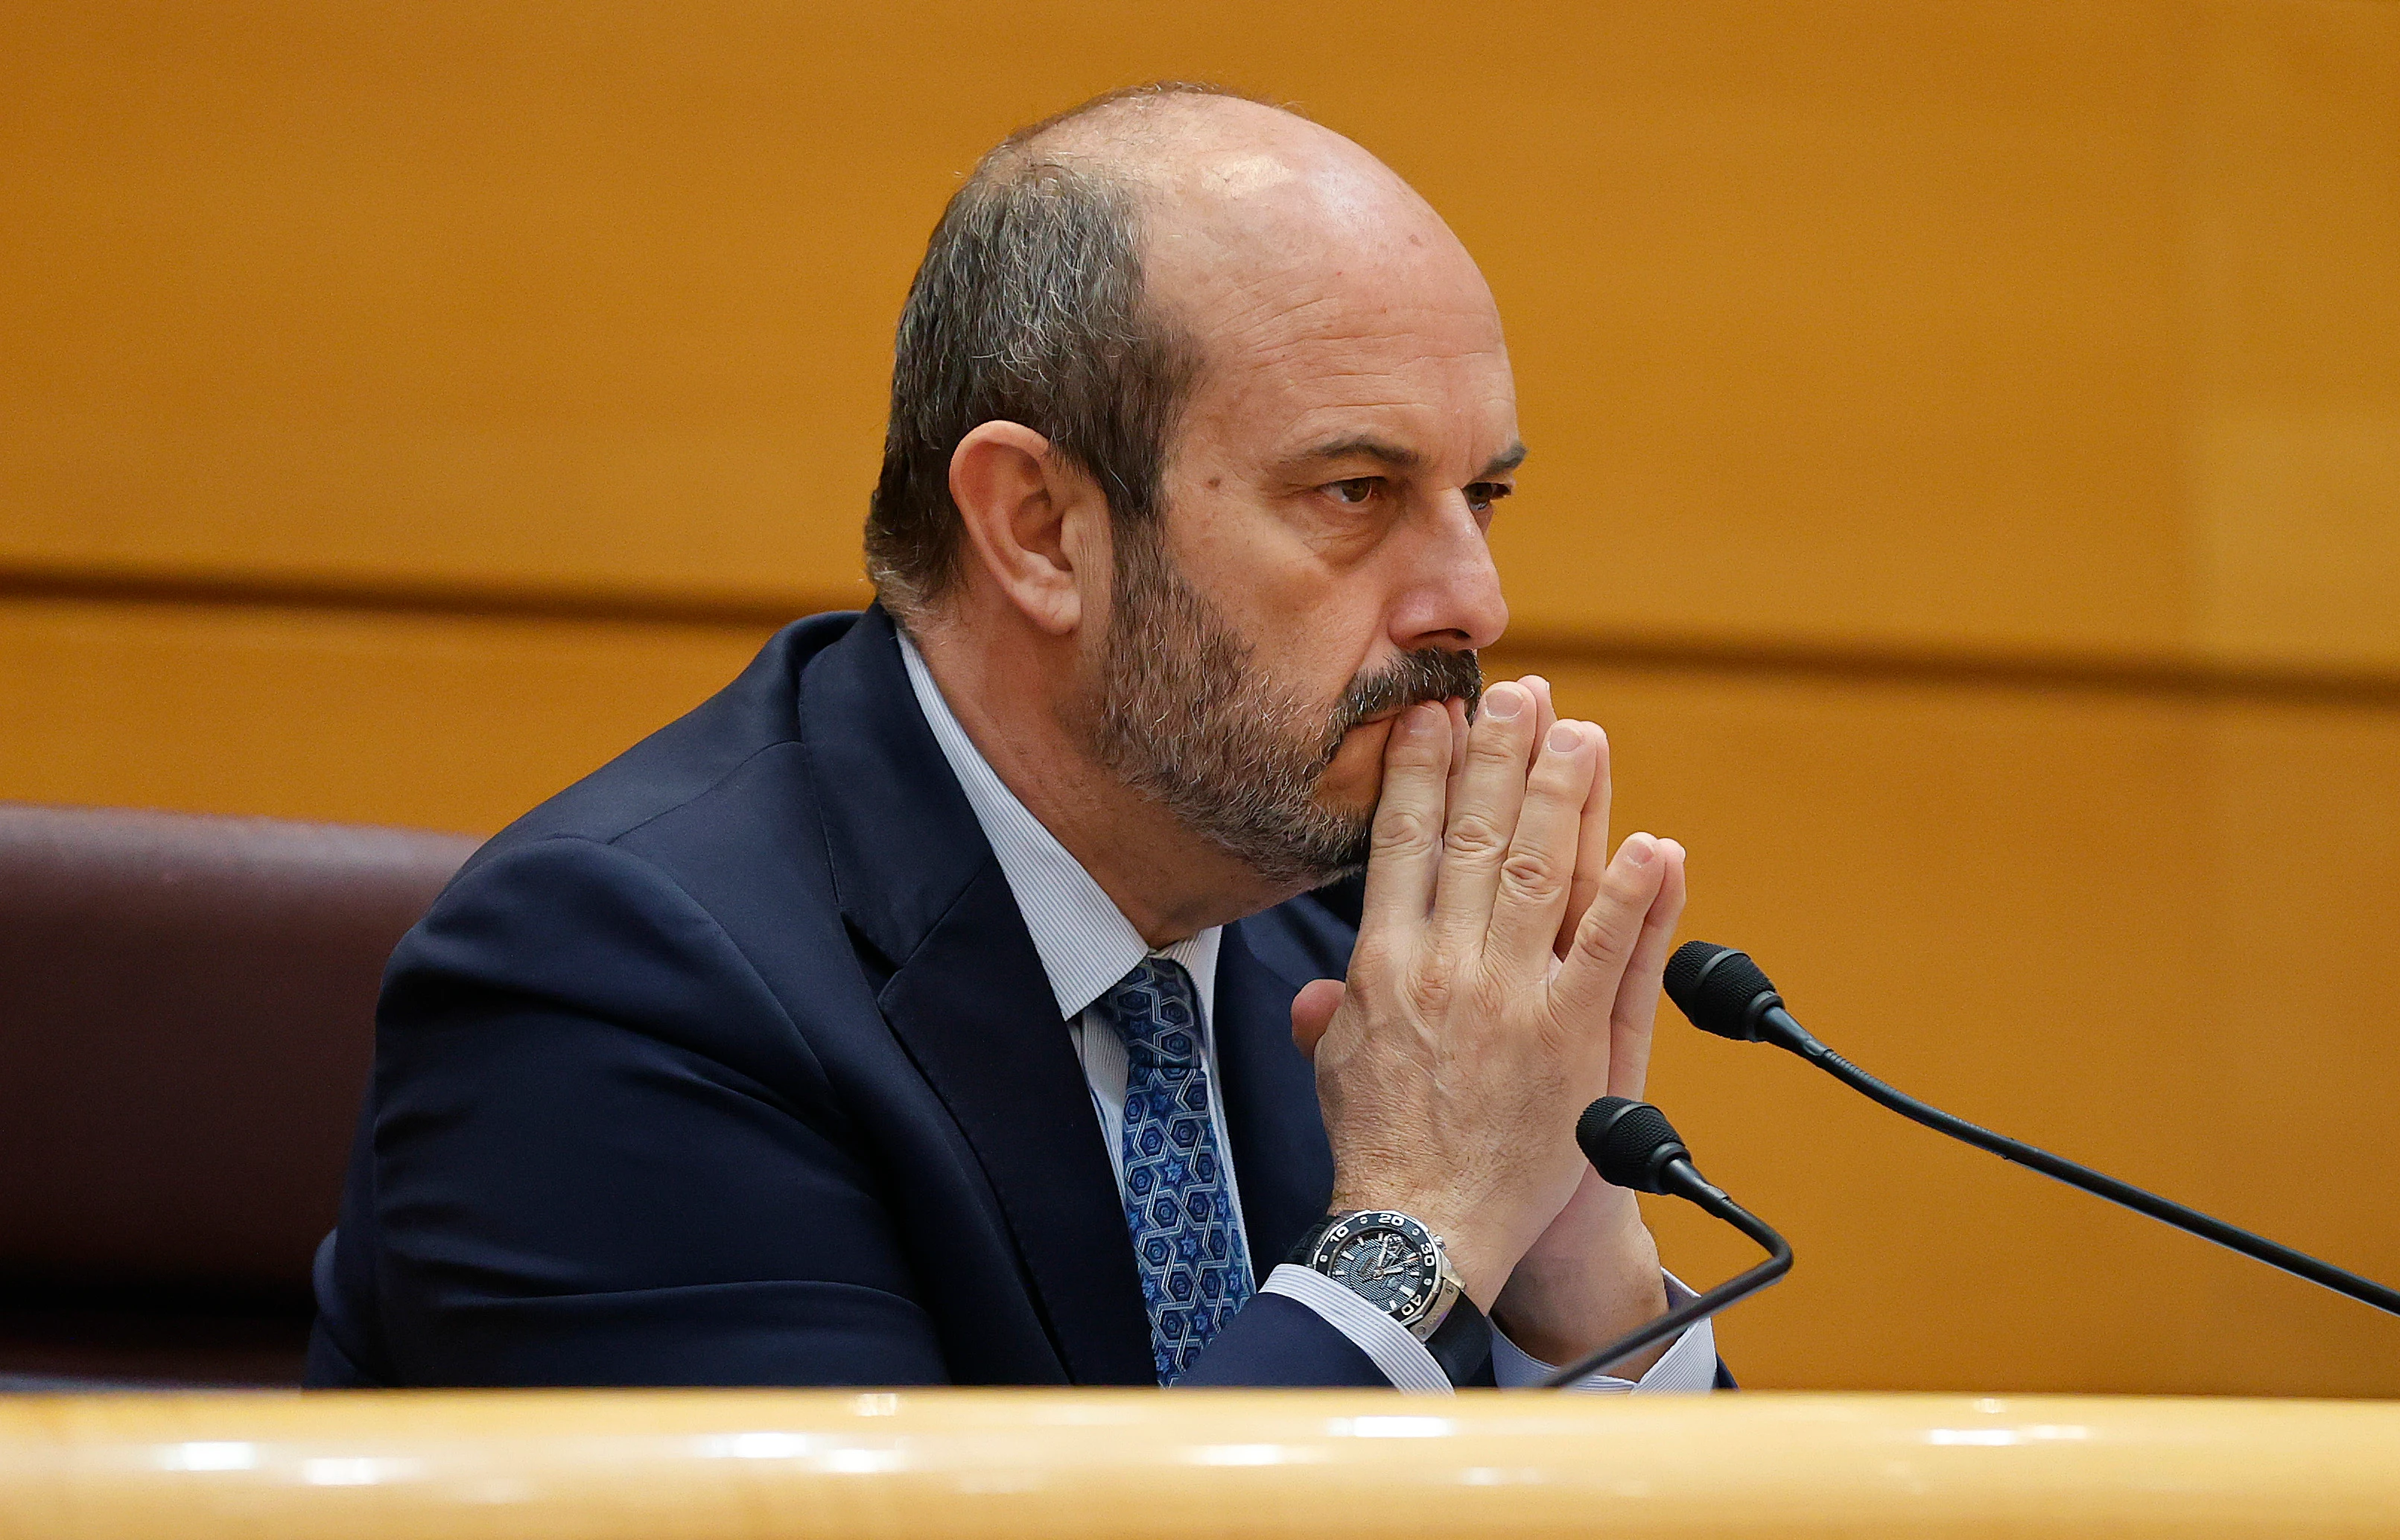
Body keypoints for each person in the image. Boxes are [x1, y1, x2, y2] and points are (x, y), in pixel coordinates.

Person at [305, 83, 1720, 1391]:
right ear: (1040, 529)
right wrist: (1415, 1230)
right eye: (1355, 492)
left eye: (1481, 497)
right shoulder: (614, 988)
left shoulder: (1359, 966)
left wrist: (1571, 1264)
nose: (1474, 600)